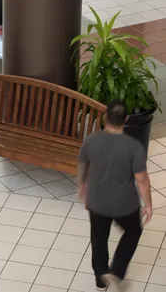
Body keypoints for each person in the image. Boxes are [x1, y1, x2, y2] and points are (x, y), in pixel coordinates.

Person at [77, 99, 152, 291]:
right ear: (125, 119)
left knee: (99, 237)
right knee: (133, 230)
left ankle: (100, 278)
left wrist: (82, 185)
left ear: (105, 117)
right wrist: (148, 204)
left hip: (97, 201)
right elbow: (142, 179)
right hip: (124, 204)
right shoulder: (133, 147)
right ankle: (117, 271)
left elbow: (83, 164)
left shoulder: (90, 140)